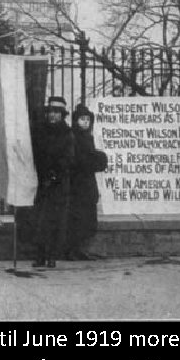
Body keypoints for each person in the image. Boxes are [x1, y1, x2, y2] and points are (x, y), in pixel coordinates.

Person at [30, 96, 75, 268]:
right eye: (50, 112)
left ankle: (52, 255)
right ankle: (40, 255)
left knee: (56, 220)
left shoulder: (67, 134)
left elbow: (69, 158)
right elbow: (34, 154)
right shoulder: (40, 131)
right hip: (41, 182)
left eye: (56, 113)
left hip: (58, 183)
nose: (52, 116)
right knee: (40, 220)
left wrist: (55, 175)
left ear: (62, 115)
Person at [65, 104, 109, 260]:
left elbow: (93, 160)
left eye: (87, 119)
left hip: (87, 184)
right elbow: (79, 160)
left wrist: (98, 159)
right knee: (76, 218)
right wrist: (98, 159)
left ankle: (79, 249)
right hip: (76, 184)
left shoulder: (88, 138)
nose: (84, 122)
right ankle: (72, 249)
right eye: (81, 119)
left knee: (87, 218)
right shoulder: (72, 137)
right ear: (76, 120)